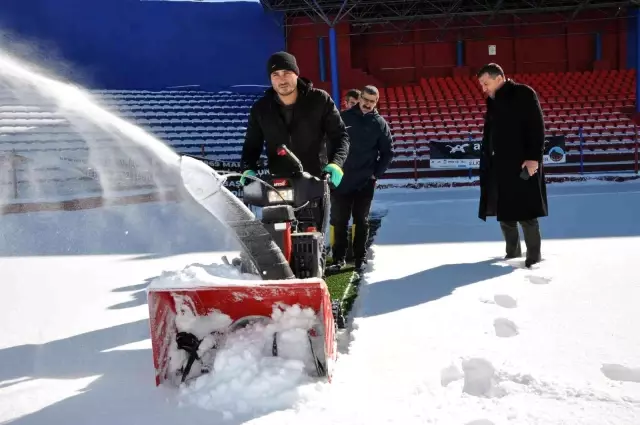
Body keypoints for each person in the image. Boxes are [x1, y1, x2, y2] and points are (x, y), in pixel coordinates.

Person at [239, 51, 350, 192]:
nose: (282, 80)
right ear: (270, 79)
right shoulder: (261, 108)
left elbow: (340, 136)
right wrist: (248, 169)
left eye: (286, 73)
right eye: (275, 75)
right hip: (279, 185)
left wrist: (336, 164)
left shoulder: (320, 100)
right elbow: (251, 146)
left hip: (315, 181)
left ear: (296, 74)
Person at [476, 63, 547, 268]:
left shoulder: (523, 93)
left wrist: (534, 158)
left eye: (486, 83)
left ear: (499, 78)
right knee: (504, 211)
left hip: (523, 163)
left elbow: (537, 126)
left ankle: (534, 258)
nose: (484, 89)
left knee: (526, 212)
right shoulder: (493, 101)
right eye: (482, 85)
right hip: (500, 165)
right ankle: (512, 252)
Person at [328, 85, 393, 273]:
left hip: (365, 181)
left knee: (361, 220)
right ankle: (338, 258)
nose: (368, 104)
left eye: (372, 101)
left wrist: (375, 174)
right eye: (365, 99)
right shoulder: (343, 118)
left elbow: (388, 152)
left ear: (376, 102)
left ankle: (359, 258)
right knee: (338, 220)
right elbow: (329, 144)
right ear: (360, 98)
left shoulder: (379, 123)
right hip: (341, 179)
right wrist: (332, 167)